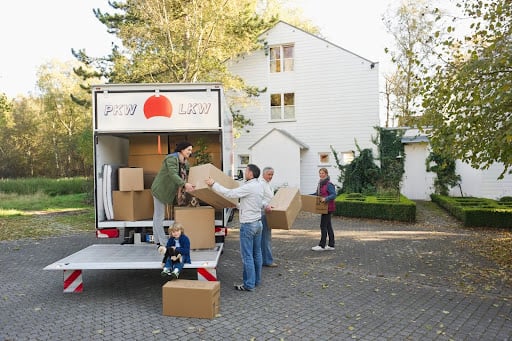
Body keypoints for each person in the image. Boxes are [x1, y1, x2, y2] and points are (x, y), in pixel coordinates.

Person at [205, 164, 264, 292]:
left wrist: (213, 183)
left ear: (251, 174)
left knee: (247, 256)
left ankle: (249, 284)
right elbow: (251, 203)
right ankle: (256, 280)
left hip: (248, 225)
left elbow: (230, 193)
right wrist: (237, 206)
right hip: (258, 223)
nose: (245, 172)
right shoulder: (259, 185)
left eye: (246, 170)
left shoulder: (249, 186)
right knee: (257, 254)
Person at [151, 141, 195, 251]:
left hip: (168, 192)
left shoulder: (185, 163)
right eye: (188, 150)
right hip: (160, 190)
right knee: (159, 217)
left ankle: (157, 240)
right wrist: (185, 184)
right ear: (181, 149)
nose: (190, 152)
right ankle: (163, 242)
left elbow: (190, 173)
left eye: (191, 150)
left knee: (157, 216)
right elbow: (173, 174)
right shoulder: (171, 159)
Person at [311, 167, 336, 251]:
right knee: (328, 226)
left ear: (326, 174)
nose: (321, 175)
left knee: (323, 226)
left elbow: (333, 195)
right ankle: (331, 245)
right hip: (324, 208)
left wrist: (326, 199)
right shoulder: (320, 184)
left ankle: (322, 245)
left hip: (328, 208)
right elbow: (317, 194)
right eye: (320, 173)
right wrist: (308, 196)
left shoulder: (329, 184)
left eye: (323, 173)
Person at [260, 167, 277, 267]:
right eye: (269, 174)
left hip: (267, 213)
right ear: (263, 174)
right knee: (266, 238)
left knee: (265, 238)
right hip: (264, 213)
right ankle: (268, 261)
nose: (271, 177)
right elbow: (258, 198)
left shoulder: (268, 184)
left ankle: (264, 259)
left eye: (272, 175)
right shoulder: (261, 184)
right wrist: (266, 205)